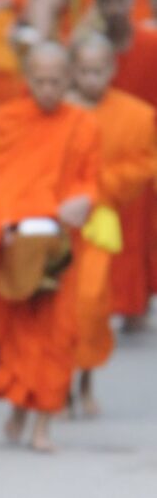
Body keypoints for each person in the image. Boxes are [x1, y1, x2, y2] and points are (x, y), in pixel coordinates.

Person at [0, 42, 99, 451]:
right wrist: (9, 221)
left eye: (56, 80)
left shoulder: (83, 124)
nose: (48, 88)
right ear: (27, 79)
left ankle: (42, 426)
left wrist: (84, 199)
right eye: (40, 80)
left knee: (57, 334)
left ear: (68, 79)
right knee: (15, 331)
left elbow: (88, 179)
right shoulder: (8, 119)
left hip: (61, 245)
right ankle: (19, 408)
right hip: (16, 238)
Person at [66, 34, 157, 414]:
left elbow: (145, 164)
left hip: (100, 219)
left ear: (112, 70)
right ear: (73, 71)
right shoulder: (61, 111)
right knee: (54, 310)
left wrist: (98, 189)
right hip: (59, 219)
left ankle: (85, 381)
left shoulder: (137, 115)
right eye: (84, 70)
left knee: (91, 306)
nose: (91, 79)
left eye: (98, 70)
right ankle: (53, 383)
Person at [96, 0, 157, 324]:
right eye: (106, 3)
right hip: (100, 151)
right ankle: (104, 301)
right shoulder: (89, 46)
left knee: (142, 231)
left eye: (120, 1)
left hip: (143, 148)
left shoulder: (151, 43)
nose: (114, 9)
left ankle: (136, 303)